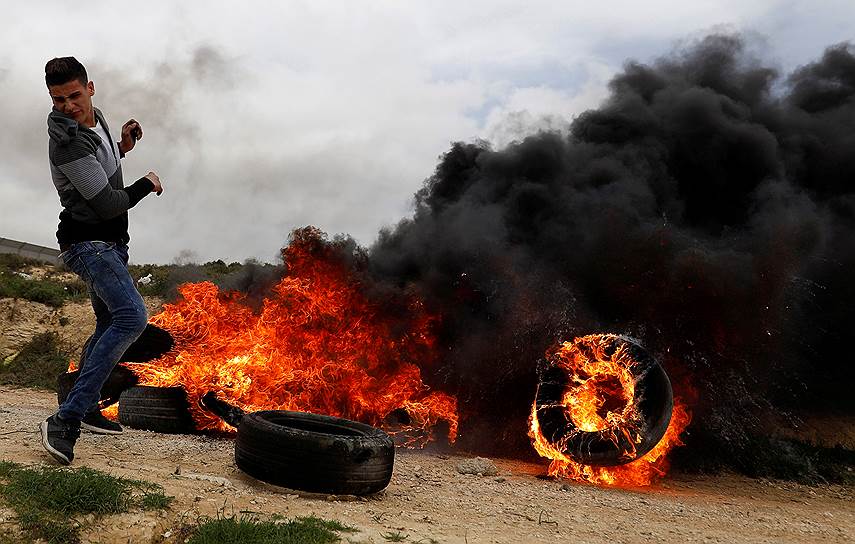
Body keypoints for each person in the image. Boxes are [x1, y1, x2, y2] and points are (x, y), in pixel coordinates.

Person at [40, 57, 163, 465]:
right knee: (130, 318)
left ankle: (86, 406)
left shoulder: (100, 120)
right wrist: (147, 183)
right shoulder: (67, 143)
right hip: (88, 242)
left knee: (109, 321)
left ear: (90, 88)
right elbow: (108, 204)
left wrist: (124, 146)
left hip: (110, 241)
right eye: (59, 100)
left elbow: (105, 165)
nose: (68, 106)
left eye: (74, 95)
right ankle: (65, 419)